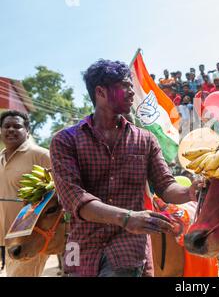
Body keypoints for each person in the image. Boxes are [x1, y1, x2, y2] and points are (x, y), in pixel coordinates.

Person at [49, 60, 202, 277]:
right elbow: (75, 199)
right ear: (100, 92)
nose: (132, 91)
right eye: (124, 86)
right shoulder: (65, 141)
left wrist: (189, 192)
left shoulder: (146, 140)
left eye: (131, 85)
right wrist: (128, 218)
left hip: (129, 249)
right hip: (81, 250)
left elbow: (166, 186)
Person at [0, 110, 50, 277]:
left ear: (27, 131)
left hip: (29, 238)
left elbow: (59, 191)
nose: (11, 129)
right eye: (7, 126)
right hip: (6, 238)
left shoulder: (41, 155)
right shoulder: (0, 159)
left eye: (17, 126)